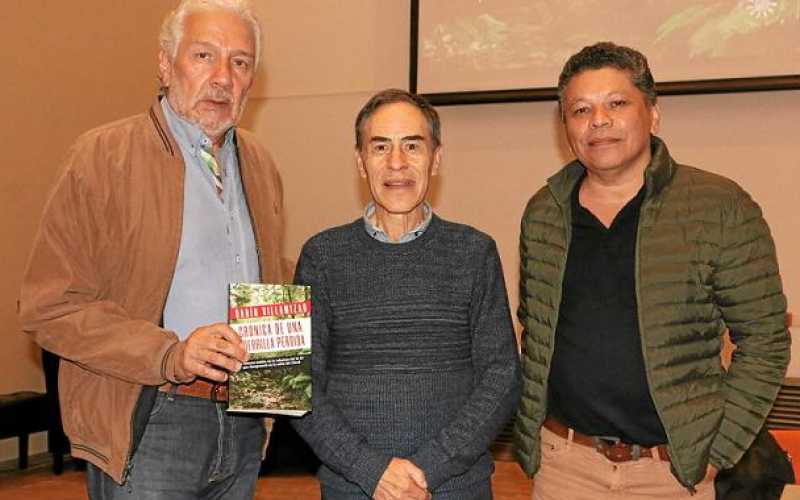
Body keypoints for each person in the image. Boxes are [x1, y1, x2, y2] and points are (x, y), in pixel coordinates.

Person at [17, 0, 285, 498]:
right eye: (204, 56)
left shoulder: (261, 165)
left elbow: (267, 286)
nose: (223, 77)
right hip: (152, 418)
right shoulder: (101, 158)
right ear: (165, 64)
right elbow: (48, 307)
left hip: (245, 420)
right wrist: (170, 354)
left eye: (240, 62)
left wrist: (270, 396)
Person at [512, 42, 790, 499]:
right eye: (580, 109)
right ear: (565, 127)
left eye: (616, 103)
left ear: (653, 114)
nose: (598, 120)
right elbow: (536, 330)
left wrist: (716, 452)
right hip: (565, 467)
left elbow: (766, 340)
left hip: (674, 475)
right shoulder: (544, 212)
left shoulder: (719, 206)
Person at [292, 88, 521, 500]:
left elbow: (501, 378)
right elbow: (297, 383)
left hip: (455, 489)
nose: (396, 163)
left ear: (436, 158)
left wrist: (428, 469)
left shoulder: (474, 252)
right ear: (361, 162)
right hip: (353, 489)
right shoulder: (321, 256)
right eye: (380, 147)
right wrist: (372, 471)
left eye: (412, 146)